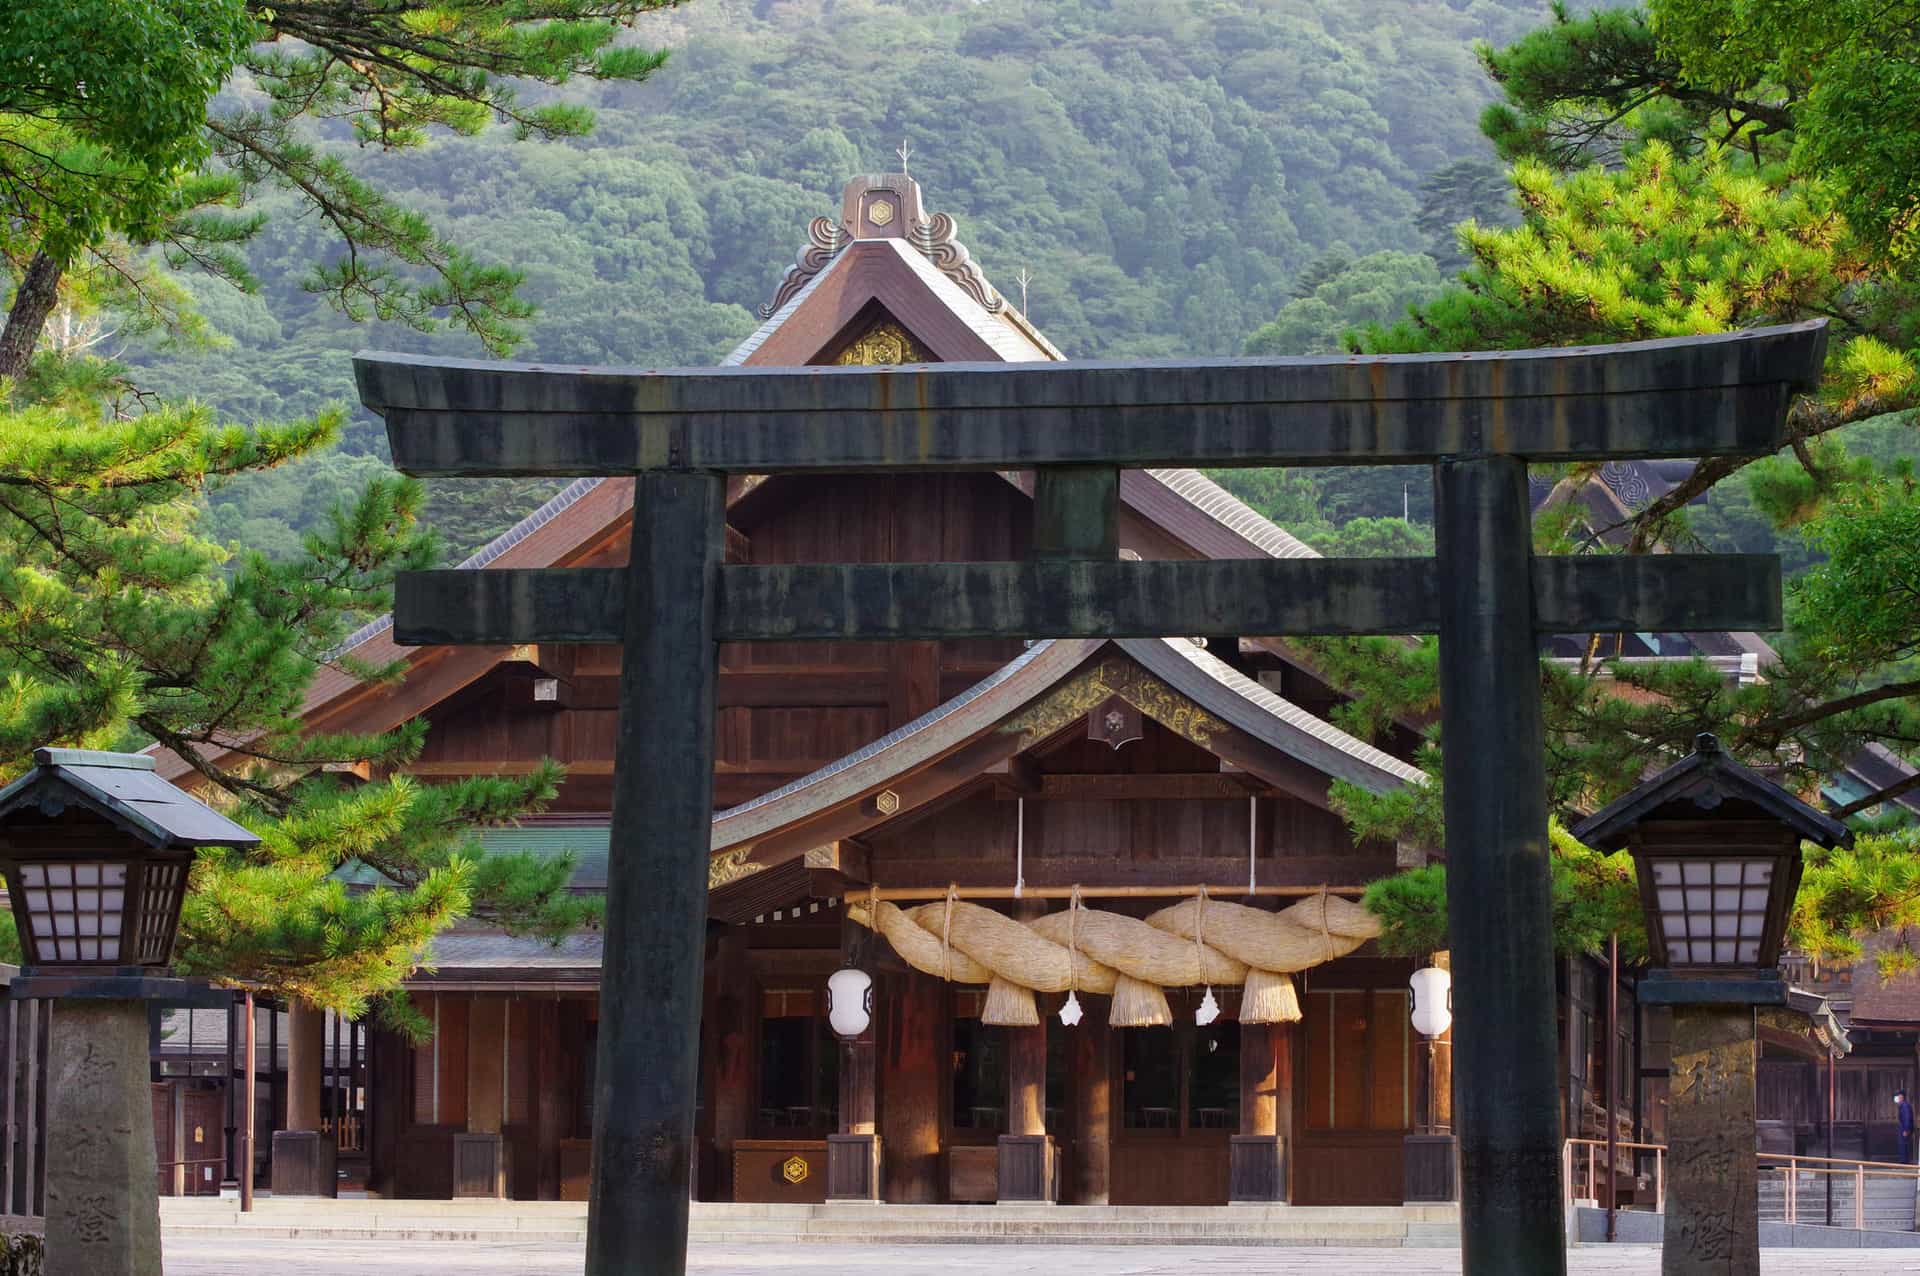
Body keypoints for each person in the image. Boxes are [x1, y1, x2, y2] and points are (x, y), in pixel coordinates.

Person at [1897, 1088, 1915, 1164]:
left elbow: (1907, 1118)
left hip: (1904, 1128)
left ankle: (1904, 1162)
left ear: (1901, 1097)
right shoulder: (1903, 1105)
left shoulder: (1904, 1106)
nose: (1897, 1098)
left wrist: (1906, 1130)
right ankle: (1904, 1161)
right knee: (1904, 1145)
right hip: (1904, 1127)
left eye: (1898, 1096)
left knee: (1903, 1145)